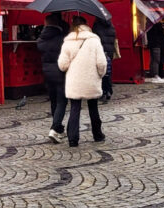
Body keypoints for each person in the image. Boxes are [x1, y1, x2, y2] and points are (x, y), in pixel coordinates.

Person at [57, 16, 107, 147]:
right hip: (91, 79)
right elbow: (101, 62)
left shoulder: (67, 41)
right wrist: (100, 75)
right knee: (93, 107)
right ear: (87, 25)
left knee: (75, 108)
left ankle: (73, 139)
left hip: (74, 81)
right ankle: (97, 135)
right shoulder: (94, 40)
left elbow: (62, 65)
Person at [37, 13, 68, 142]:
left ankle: (59, 127)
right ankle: (54, 128)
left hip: (47, 71)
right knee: (62, 101)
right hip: (60, 72)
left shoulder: (41, 39)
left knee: (54, 100)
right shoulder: (61, 38)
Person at [92, 15, 117, 103]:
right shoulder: (111, 26)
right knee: (108, 72)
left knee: (100, 73)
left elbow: (94, 39)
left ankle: (103, 92)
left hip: (100, 52)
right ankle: (109, 91)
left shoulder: (97, 26)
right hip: (109, 52)